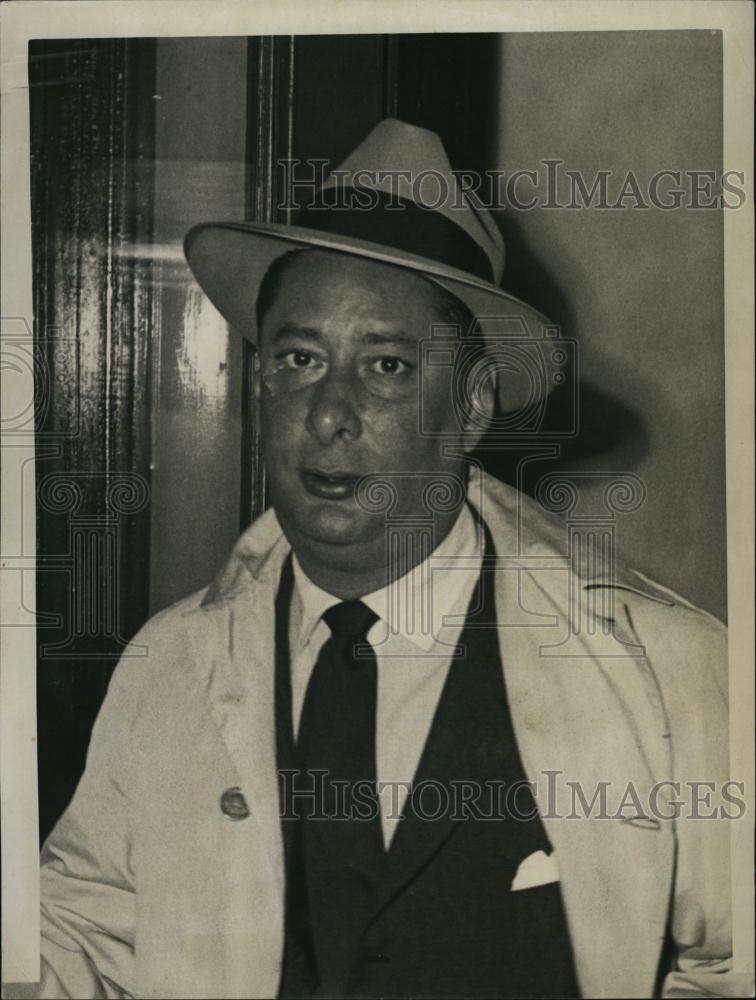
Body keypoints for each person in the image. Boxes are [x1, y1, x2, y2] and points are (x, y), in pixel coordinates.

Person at [18, 120, 743, 999]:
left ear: (472, 406)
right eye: (298, 358)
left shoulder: (669, 667)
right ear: (261, 383)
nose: (328, 414)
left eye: (388, 366)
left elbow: (728, 966)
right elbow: (78, 934)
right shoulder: (168, 663)